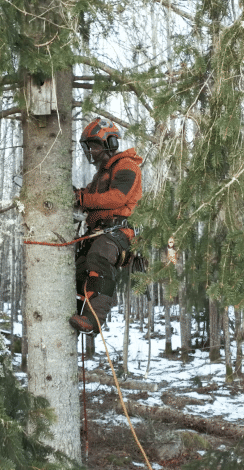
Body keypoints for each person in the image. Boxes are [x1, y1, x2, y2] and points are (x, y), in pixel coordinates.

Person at [70, 117, 143, 334]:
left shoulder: (127, 167)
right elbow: (89, 201)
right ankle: (79, 311)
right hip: (97, 232)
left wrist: (82, 199)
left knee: (99, 257)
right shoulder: (100, 175)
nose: (90, 151)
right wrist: (74, 201)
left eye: (94, 145)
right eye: (88, 146)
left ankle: (94, 320)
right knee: (80, 267)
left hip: (116, 232)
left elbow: (117, 198)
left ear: (109, 144)